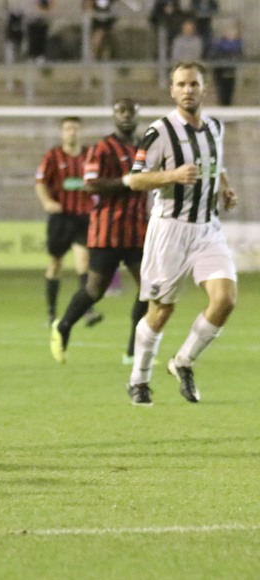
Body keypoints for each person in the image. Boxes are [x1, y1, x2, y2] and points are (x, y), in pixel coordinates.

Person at [123, 61, 238, 406]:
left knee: (225, 300)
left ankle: (183, 361)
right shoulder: (159, 133)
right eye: (181, 84)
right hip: (170, 230)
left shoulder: (215, 127)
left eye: (194, 84)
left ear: (204, 89)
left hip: (207, 229)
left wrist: (225, 189)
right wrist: (171, 176)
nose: (188, 90)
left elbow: (215, 165)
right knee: (161, 311)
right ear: (172, 91)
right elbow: (134, 179)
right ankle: (139, 379)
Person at [50, 98, 149, 366]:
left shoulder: (145, 146)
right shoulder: (102, 148)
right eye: (121, 111)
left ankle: (133, 350)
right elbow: (91, 184)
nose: (126, 115)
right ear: (114, 116)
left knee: (150, 289)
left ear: (138, 115)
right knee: (95, 289)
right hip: (108, 229)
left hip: (138, 229)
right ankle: (63, 326)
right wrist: (126, 181)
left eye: (131, 111)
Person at [35, 116, 101, 327]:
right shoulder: (53, 156)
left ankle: (88, 310)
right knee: (56, 264)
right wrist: (47, 201)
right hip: (61, 218)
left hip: (84, 216)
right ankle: (51, 313)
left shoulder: (91, 155)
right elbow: (40, 182)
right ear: (62, 132)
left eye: (75, 128)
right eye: (67, 128)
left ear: (81, 132)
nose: (71, 132)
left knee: (84, 263)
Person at [210, 22, 242, 106]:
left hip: (232, 69)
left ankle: (228, 102)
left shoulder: (238, 44)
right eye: (229, 32)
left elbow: (239, 56)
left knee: (230, 87)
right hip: (220, 69)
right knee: (221, 87)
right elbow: (214, 56)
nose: (231, 34)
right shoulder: (218, 44)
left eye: (233, 32)